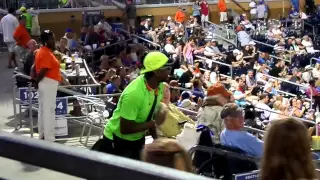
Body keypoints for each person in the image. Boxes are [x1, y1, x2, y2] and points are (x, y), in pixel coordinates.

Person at [96, 51, 171, 160]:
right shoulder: (134, 93)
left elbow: (149, 118)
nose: (169, 71)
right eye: (166, 68)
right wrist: (151, 124)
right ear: (156, 71)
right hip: (117, 141)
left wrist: (158, 142)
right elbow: (125, 128)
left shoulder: (159, 88)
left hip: (137, 139)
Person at [34, 30, 61, 142]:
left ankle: (43, 135)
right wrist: (36, 81)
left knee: (43, 110)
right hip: (48, 83)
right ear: (45, 41)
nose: (54, 41)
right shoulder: (45, 52)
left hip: (46, 83)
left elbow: (34, 67)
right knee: (49, 111)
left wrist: (36, 81)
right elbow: (44, 69)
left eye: (54, 38)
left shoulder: (43, 51)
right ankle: (49, 139)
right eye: (51, 39)